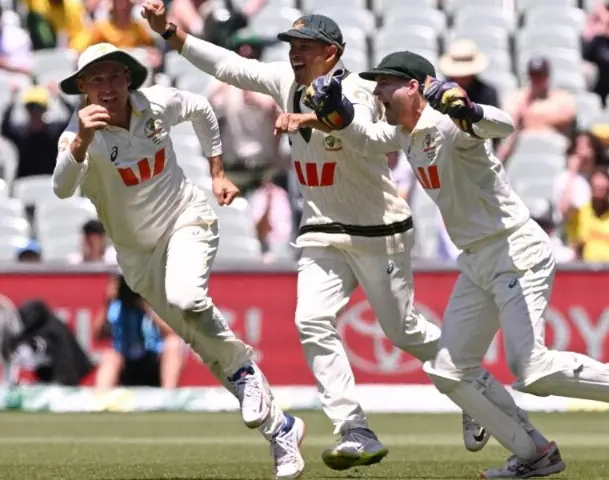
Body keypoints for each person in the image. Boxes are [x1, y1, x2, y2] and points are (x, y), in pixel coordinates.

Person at [139, 2, 480, 470]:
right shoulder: (285, 82)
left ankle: (474, 391)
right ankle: (354, 428)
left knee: (403, 332)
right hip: (321, 230)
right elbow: (229, 65)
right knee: (311, 319)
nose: (296, 55)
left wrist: (308, 119)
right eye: (293, 46)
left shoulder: (358, 89)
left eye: (306, 47)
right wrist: (171, 33)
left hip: (378, 230)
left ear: (332, 52)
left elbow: (355, 127)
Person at [301, 50, 609, 478]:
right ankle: (534, 454)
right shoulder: (404, 132)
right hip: (476, 260)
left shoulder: (449, 124)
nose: (378, 91)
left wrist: (468, 109)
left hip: (515, 250)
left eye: (386, 83)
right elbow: (364, 138)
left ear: (414, 86)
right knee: (448, 370)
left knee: (529, 370)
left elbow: (502, 124)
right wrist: (336, 112)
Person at [51, 42, 304, 478]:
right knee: (200, 341)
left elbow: (202, 109)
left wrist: (217, 172)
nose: (107, 87)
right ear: (83, 88)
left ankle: (245, 376)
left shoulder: (156, 104)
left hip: (186, 220)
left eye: (114, 76)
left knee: (187, 298)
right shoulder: (78, 136)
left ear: (128, 78)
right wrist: (83, 140)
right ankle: (281, 429)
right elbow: (61, 188)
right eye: (96, 79)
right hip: (137, 256)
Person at [94, 274, 184, 388]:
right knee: (110, 355)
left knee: (174, 344)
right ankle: (101, 398)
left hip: (152, 358)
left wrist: (146, 305)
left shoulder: (155, 302)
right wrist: (107, 303)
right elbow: (97, 334)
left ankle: (168, 396)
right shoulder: (116, 306)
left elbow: (173, 332)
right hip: (127, 361)